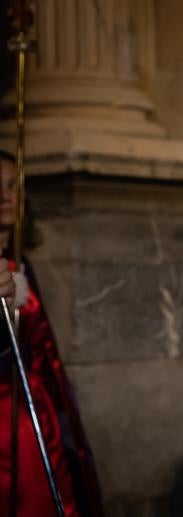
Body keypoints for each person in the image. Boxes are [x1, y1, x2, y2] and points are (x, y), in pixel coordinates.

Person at [0, 152, 103, 517]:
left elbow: (42, 345)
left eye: (12, 186)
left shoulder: (22, 263)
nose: (5, 196)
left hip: (35, 402)